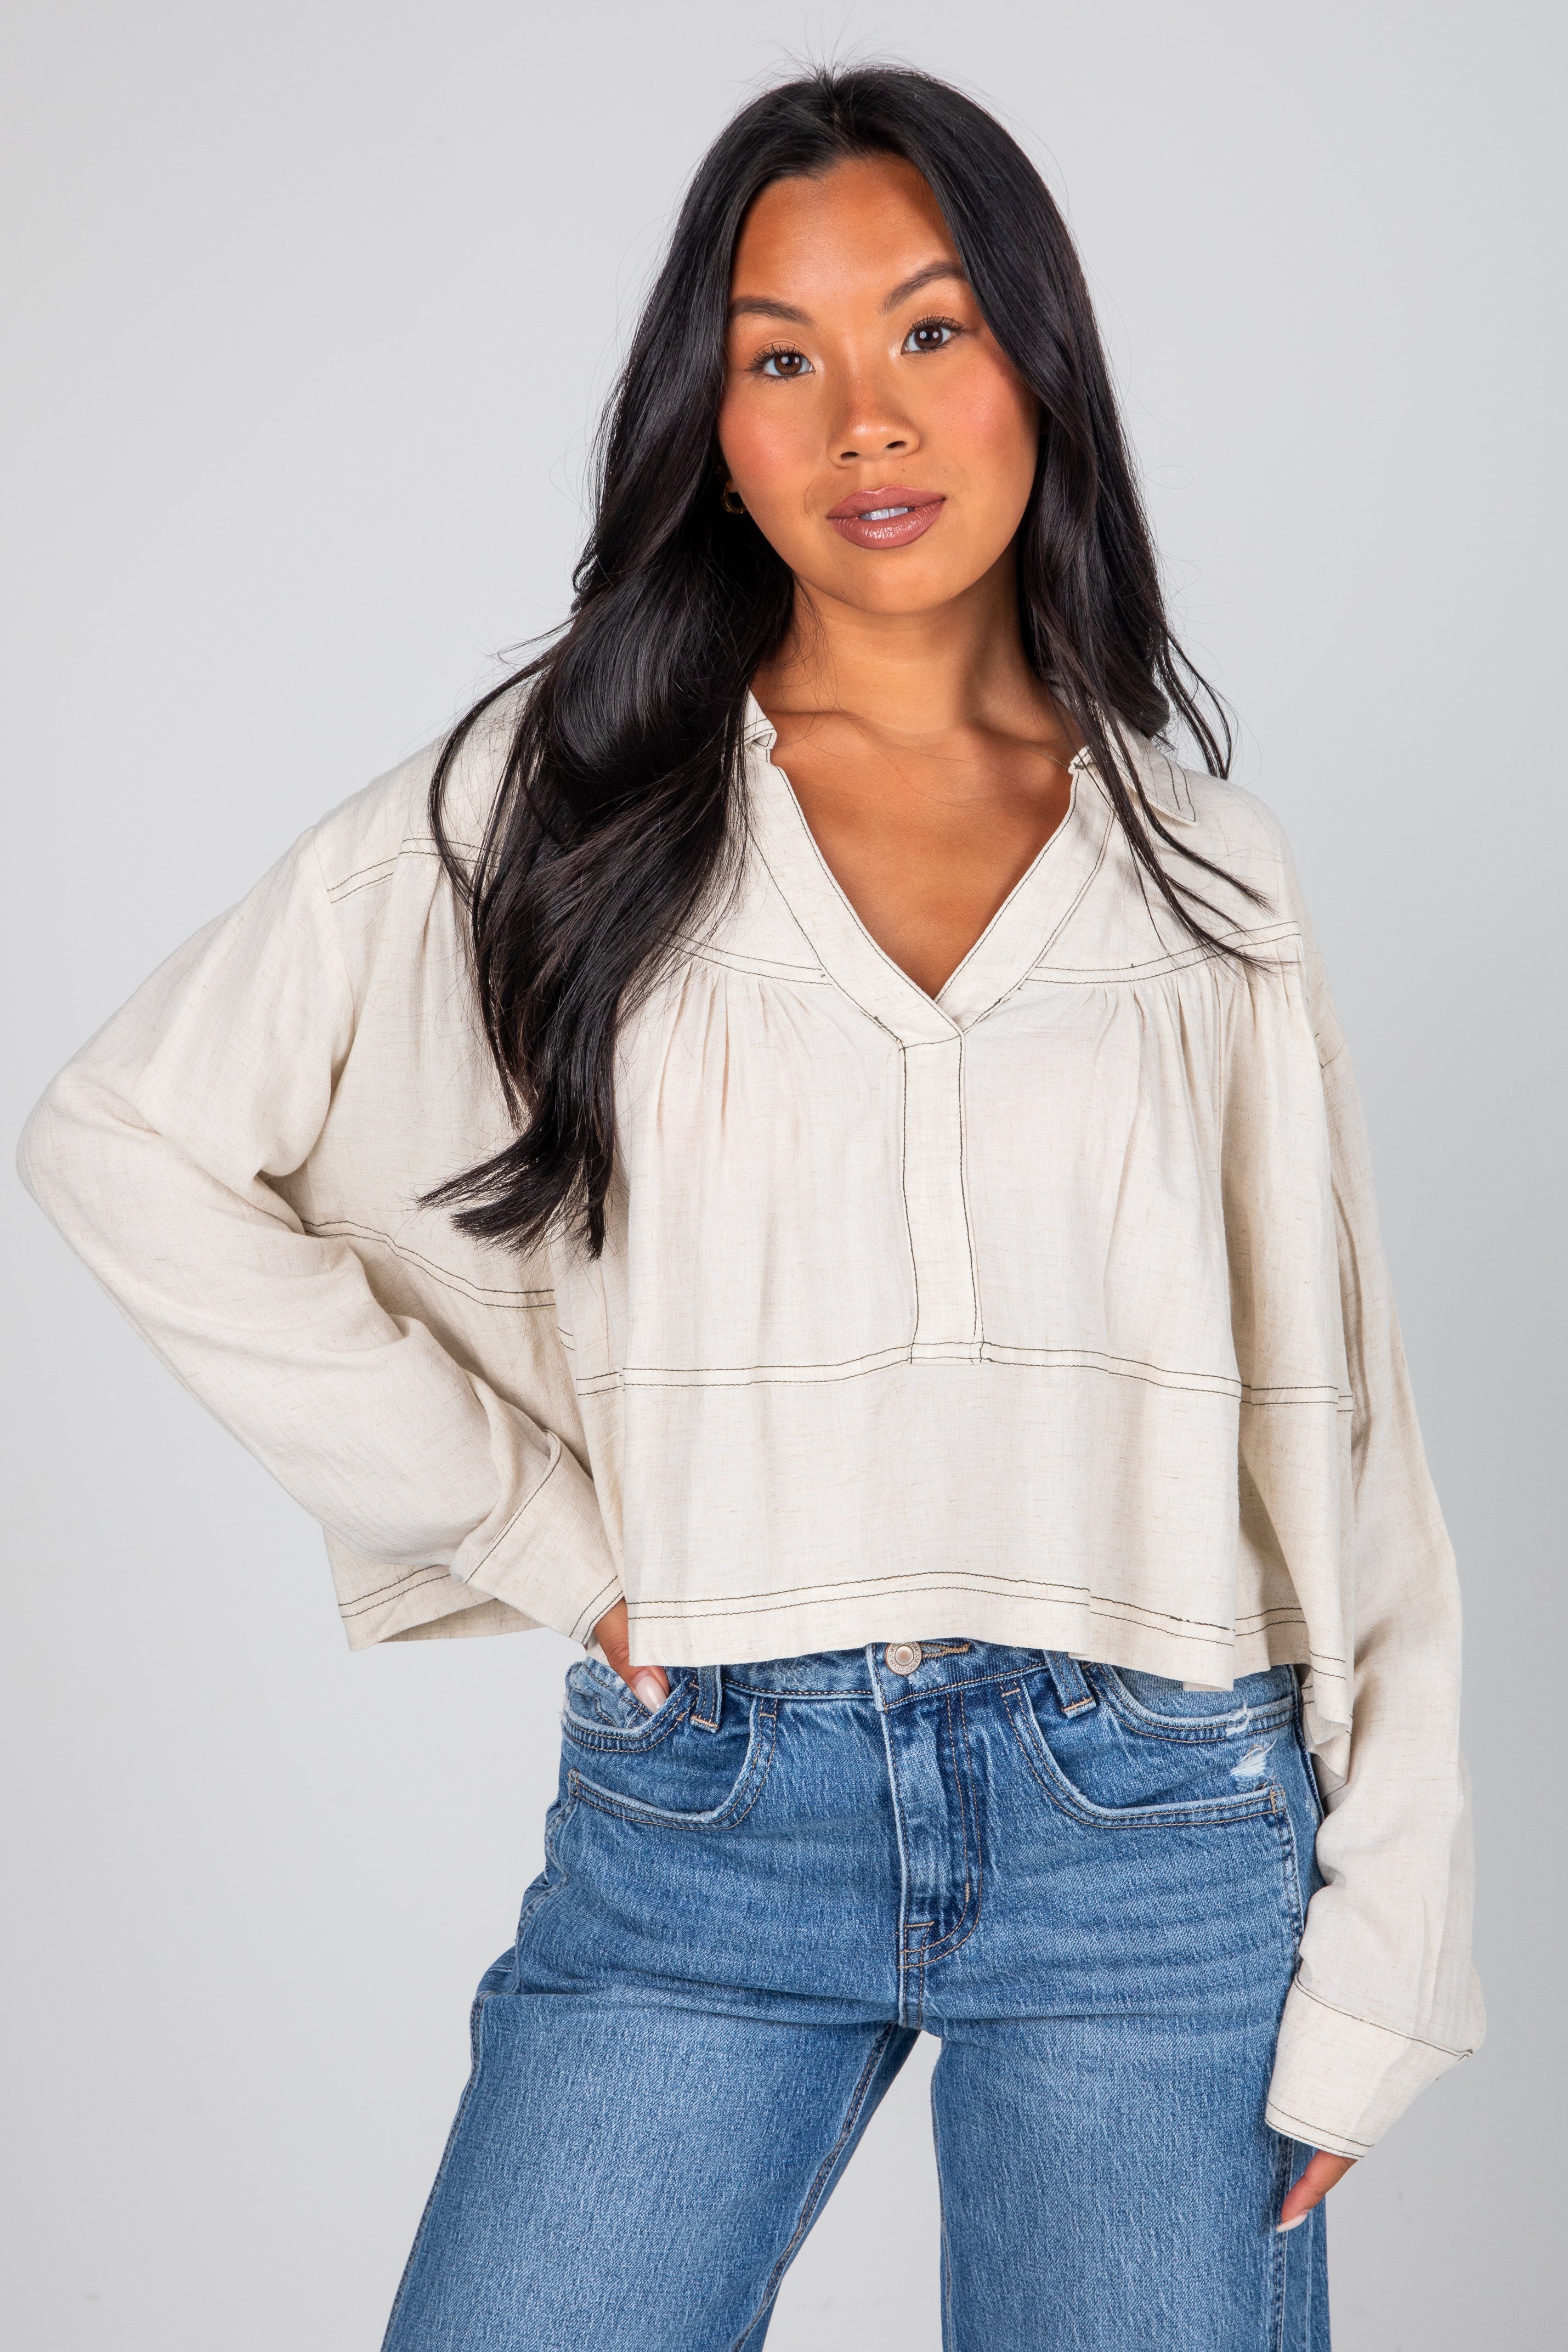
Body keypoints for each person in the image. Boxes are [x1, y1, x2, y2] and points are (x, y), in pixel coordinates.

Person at [18, 63, 1482, 2352]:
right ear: (709, 429)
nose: (861, 417)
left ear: (1037, 361)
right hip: (709, 1808)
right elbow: (130, 1137)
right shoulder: (564, 793)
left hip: (1156, 1832)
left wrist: (1391, 1944)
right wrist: (533, 1528)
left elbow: (1344, 1428)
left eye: (927, 330)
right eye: (776, 357)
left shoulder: (1203, 872)